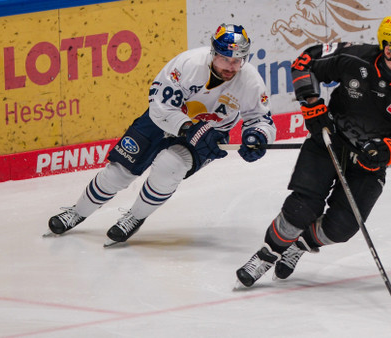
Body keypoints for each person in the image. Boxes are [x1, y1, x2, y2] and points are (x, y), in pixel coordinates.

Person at [235, 16, 391, 287]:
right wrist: (312, 104)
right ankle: (266, 254)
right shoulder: (356, 58)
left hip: (369, 162)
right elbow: (305, 62)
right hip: (329, 141)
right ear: (388, 49)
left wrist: (388, 150)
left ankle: (301, 245)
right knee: (301, 208)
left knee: (342, 228)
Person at [46, 23, 276, 246]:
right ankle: (77, 212)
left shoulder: (250, 81)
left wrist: (257, 137)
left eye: (237, 60)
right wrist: (188, 128)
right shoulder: (187, 64)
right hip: (162, 121)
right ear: (213, 52)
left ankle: (134, 217)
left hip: (208, 135)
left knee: (169, 168)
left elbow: (260, 119)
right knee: (119, 173)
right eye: (225, 58)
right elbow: (160, 105)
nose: (231, 66)